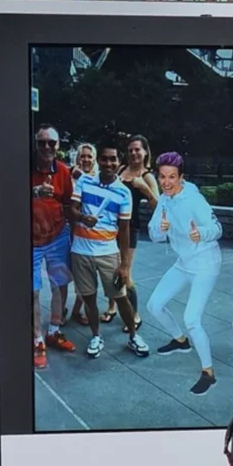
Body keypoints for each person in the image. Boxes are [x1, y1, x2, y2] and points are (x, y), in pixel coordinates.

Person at [147, 152, 222, 396]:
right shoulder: (164, 199)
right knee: (154, 305)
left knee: (192, 319)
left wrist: (201, 232)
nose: (166, 182)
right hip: (184, 262)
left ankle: (208, 373)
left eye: (172, 177)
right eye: (162, 177)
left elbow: (217, 228)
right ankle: (180, 341)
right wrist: (160, 229)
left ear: (181, 177)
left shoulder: (194, 199)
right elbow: (154, 234)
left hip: (205, 264)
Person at [70, 140, 150, 360]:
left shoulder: (123, 193)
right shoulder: (84, 182)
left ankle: (133, 336)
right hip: (81, 251)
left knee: (120, 297)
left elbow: (124, 230)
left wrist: (124, 265)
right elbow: (72, 210)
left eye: (112, 159)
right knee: (89, 298)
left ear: (118, 162)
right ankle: (96, 336)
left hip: (108, 253)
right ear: (99, 160)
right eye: (104, 158)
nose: (108, 162)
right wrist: (82, 217)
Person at [101, 134, 159, 330]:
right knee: (110, 269)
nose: (134, 153)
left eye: (138, 149)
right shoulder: (121, 169)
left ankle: (134, 314)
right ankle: (112, 307)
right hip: (110, 225)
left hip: (130, 228)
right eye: (131, 149)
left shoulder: (147, 176)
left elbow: (158, 206)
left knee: (125, 273)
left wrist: (145, 189)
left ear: (145, 152)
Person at [32, 124, 76, 370]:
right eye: (42, 143)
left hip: (58, 237)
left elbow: (69, 204)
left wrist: (76, 233)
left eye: (52, 143)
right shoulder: (23, 168)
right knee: (34, 292)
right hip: (31, 240)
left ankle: (54, 331)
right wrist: (34, 192)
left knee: (60, 285)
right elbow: (9, 197)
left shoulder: (63, 171)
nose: (47, 147)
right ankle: (37, 340)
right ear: (36, 145)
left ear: (58, 146)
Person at [70, 143, 98, 327]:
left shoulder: (97, 178)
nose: (86, 159)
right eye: (83, 156)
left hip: (93, 234)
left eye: (89, 156)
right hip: (71, 229)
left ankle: (76, 309)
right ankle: (68, 308)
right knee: (69, 274)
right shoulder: (69, 176)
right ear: (77, 158)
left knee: (86, 275)